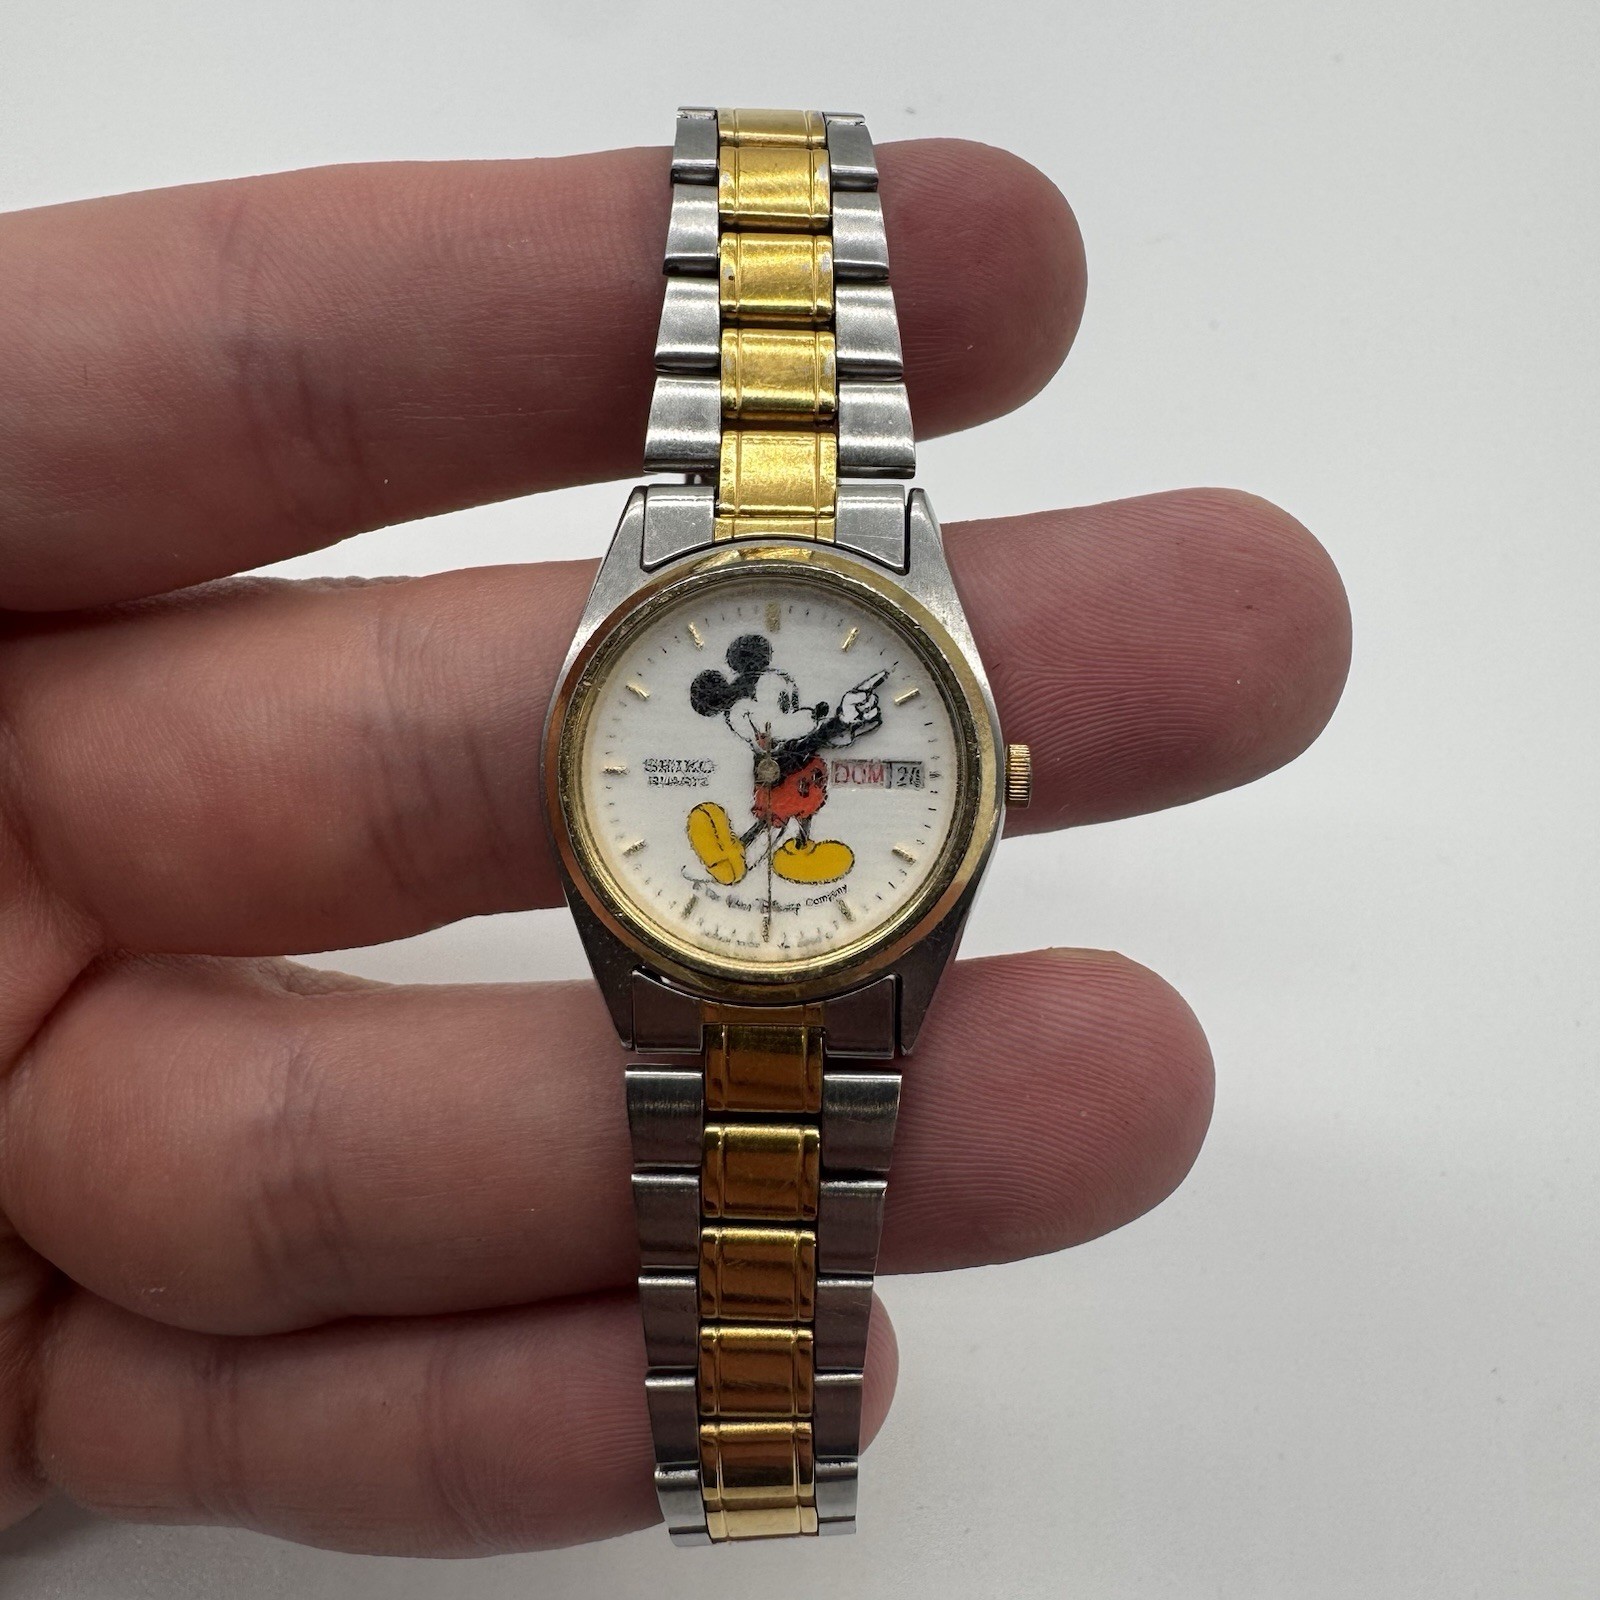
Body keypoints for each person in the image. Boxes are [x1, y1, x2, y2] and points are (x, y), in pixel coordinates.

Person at [0, 134, 1349, 1552]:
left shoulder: (818, 722)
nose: (785, 759)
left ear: (987, 780)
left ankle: (759, 1467)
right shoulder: (705, 700)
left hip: (792, 923)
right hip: (713, 923)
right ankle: (757, 1469)